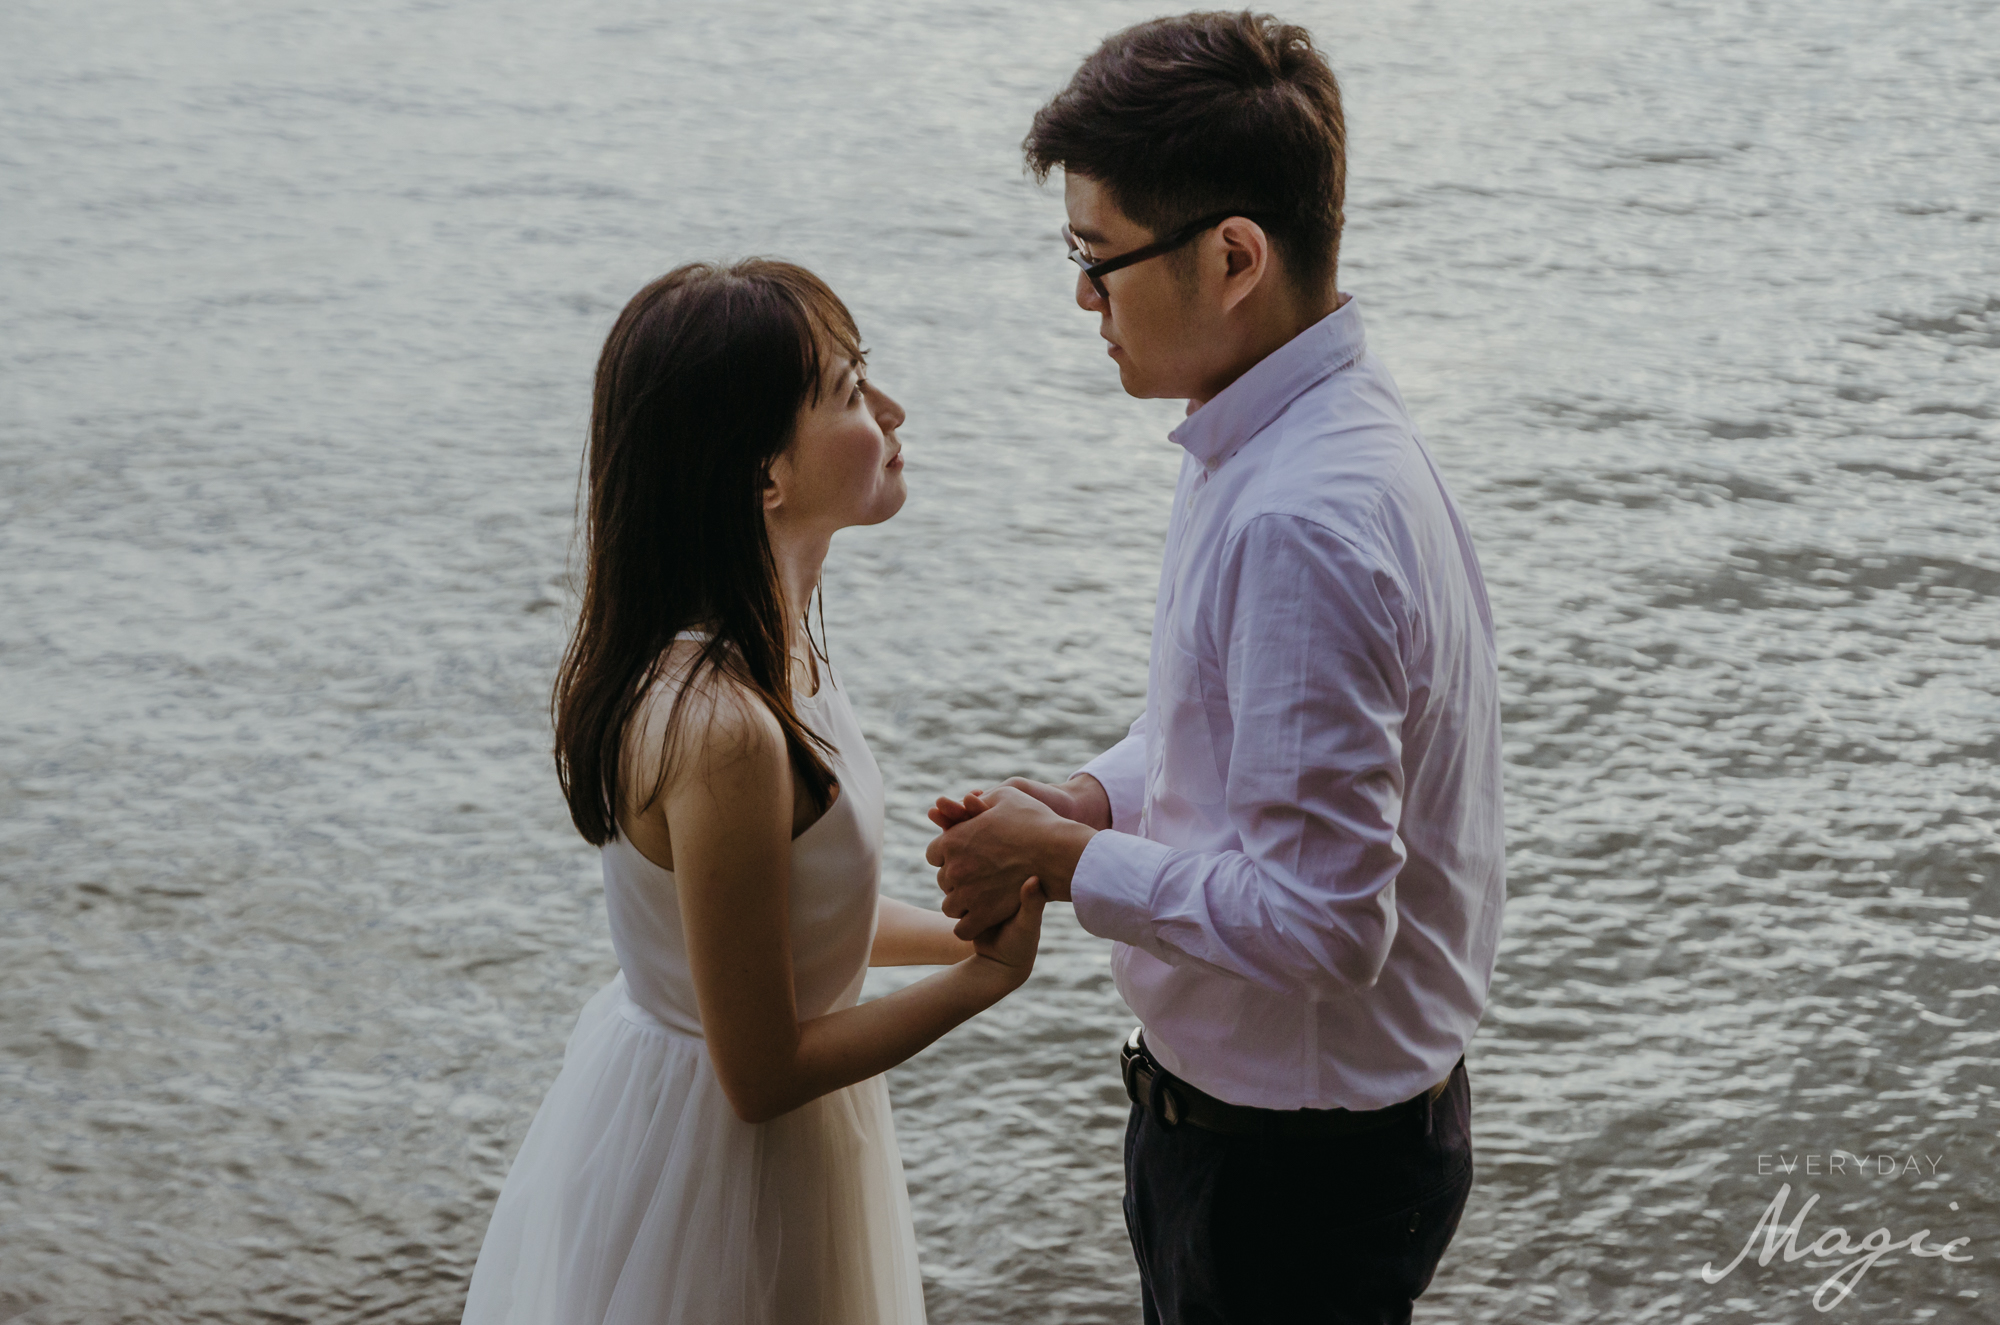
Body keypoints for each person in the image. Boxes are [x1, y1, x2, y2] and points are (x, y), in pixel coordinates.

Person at [925, 12, 1504, 1324]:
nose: (1084, 299)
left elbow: (1328, 924)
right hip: (1315, 1144)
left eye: (1098, 259)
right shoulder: (1291, 427)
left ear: (1235, 256)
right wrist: (1094, 798)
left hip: (1291, 1176)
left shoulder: (1299, 514)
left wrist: (1070, 863)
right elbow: (1234, 726)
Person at [461, 259, 1046, 1325]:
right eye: (849, 391)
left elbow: (800, 926)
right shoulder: (721, 726)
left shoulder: (780, 656)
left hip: (753, 1135)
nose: (892, 410)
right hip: (717, 1167)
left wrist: (978, 923)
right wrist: (986, 981)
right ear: (764, 474)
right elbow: (762, 1071)